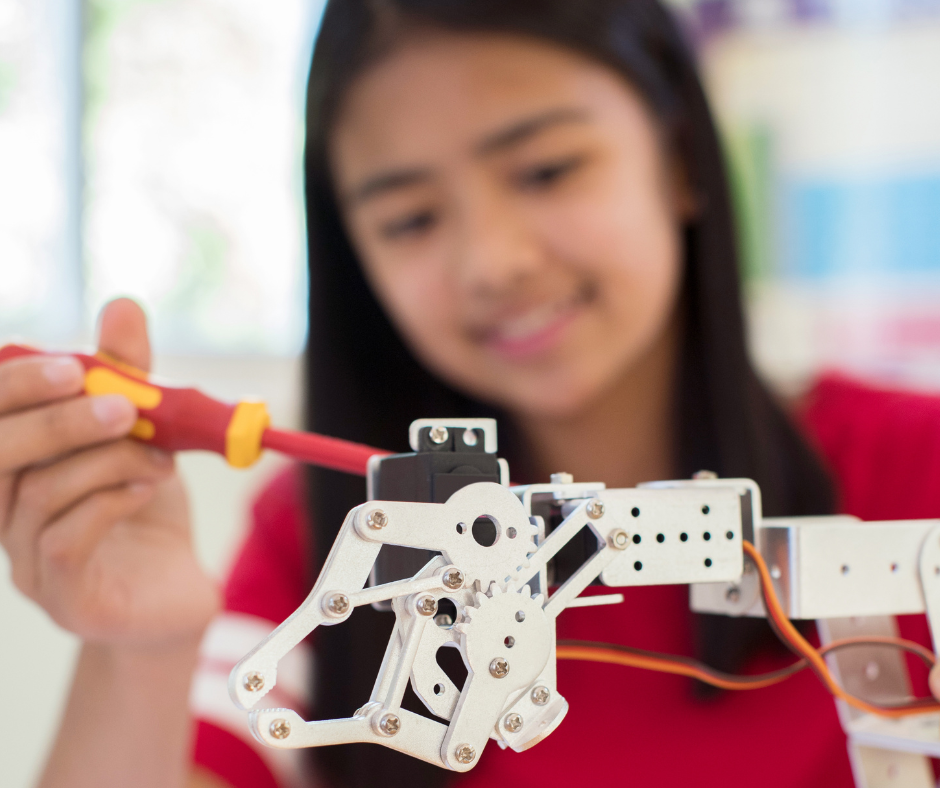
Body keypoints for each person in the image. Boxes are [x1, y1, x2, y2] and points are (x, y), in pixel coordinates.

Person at [3, 1, 940, 786]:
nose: (494, 262)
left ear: (683, 157)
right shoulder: (322, 532)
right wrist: (140, 651)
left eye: (546, 170)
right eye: (410, 217)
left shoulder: (916, 470)